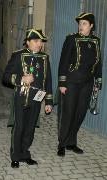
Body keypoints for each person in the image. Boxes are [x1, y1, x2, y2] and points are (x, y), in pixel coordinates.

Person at [3, 29, 53, 168]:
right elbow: (6, 76)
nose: (40, 44)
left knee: (30, 128)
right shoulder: (18, 55)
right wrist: (21, 79)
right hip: (21, 98)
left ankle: (25, 153)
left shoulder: (44, 57)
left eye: (41, 41)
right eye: (36, 41)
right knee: (19, 127)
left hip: (37, 99)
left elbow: (48, 80)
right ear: (28, 42)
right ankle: (15, 156)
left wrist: (48, 101)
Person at [57, 12, 102, 157]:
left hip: (87, 83)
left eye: (84, 23)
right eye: (79, 23)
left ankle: (71, 142)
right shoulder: (71, 39)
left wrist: (98, 80)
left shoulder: (96, 40)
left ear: (91, 26)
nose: (80, 26)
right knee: (68, 113)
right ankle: (62, 143)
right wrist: (62, 82)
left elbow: (98, 62)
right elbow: (63, 61)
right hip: (71, 82)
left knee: (80, 113)